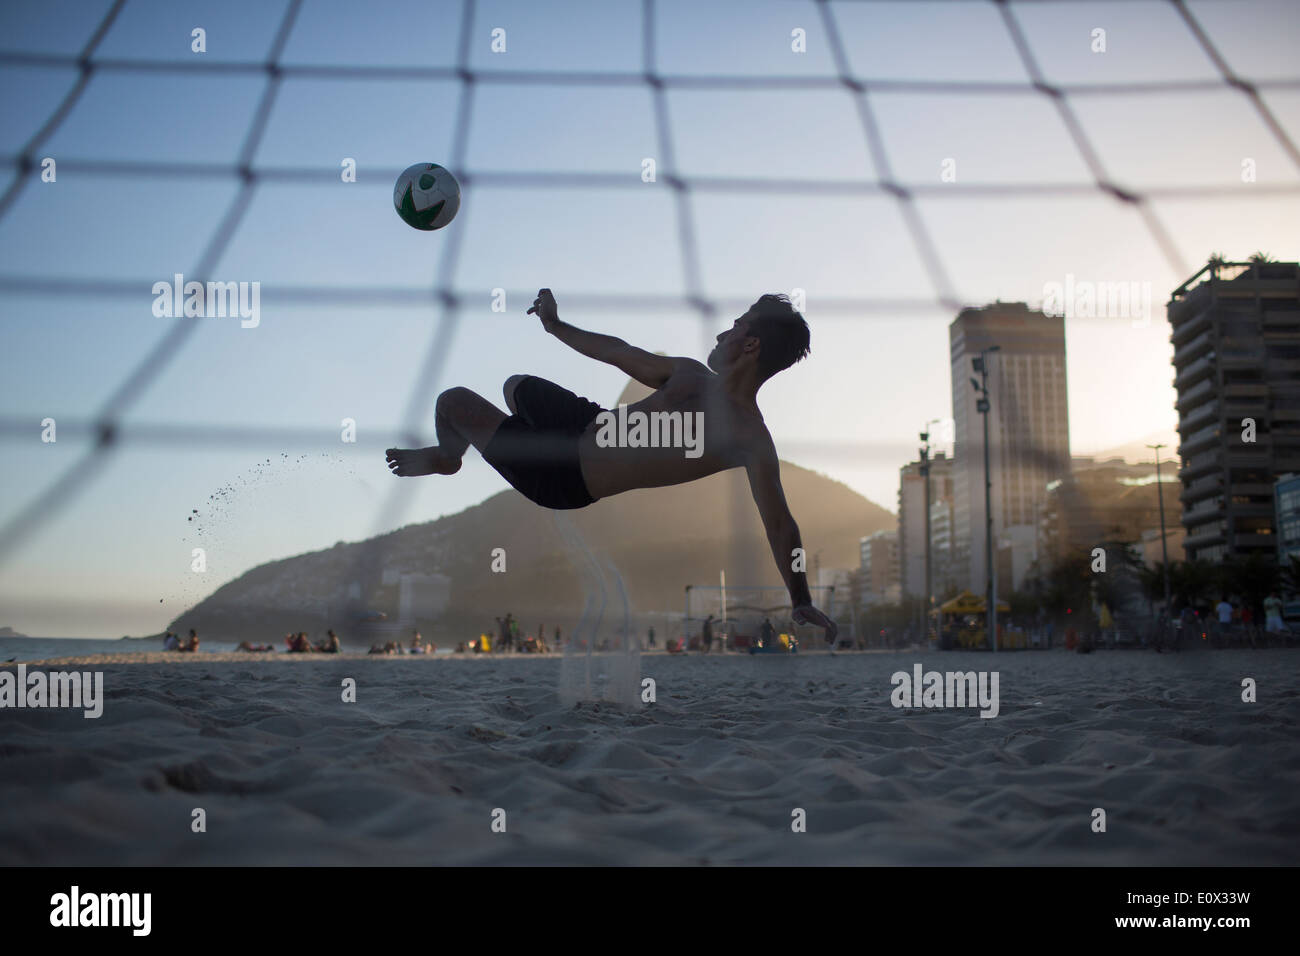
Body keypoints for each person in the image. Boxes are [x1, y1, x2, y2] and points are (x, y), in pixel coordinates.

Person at [386, 289, 837, 643]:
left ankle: (449, 458)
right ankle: (500, 435)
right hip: (590, 422)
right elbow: (616, 351)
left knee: (453, 402)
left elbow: (781, 525)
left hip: (566, 474)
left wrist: (800, 599)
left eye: (734, 328)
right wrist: (556, 326)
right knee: (515, 386)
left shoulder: (750, 439)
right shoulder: (688, 373)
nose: (722, 335)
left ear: (751, 344)